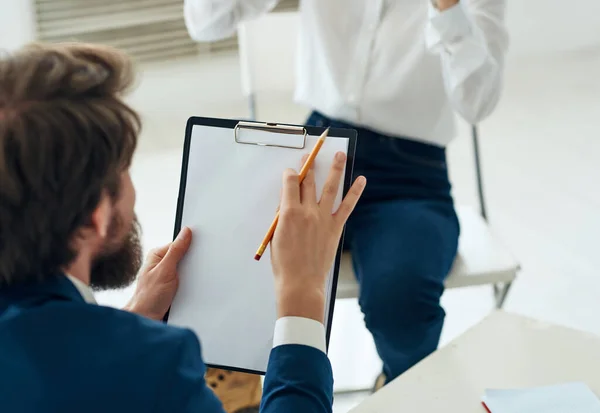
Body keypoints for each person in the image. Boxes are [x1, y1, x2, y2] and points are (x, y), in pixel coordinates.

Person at [0, 43, 366, 413]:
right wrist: (302, 295)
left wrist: (131, 320)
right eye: (125, 168)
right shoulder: (156, 364)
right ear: (96, 215)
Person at [184, 0, 509, 405]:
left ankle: (402, 388)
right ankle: (242, 384)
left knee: (401, 299)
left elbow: (478, 101)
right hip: (319, 147)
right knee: (229, 249)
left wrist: (448, 9)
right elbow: (206, 22)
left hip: (412, 173)